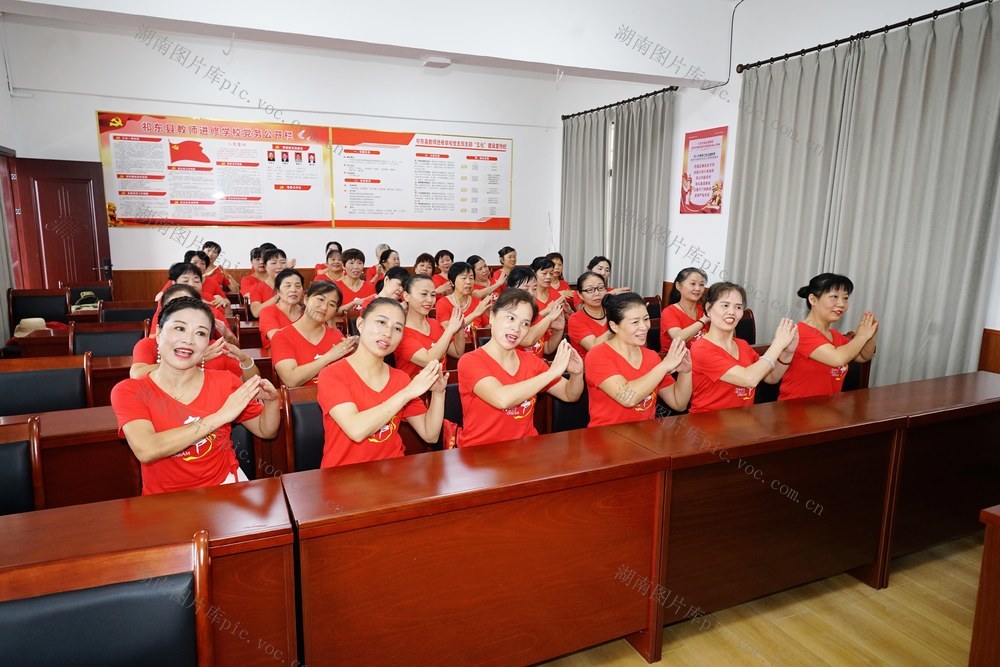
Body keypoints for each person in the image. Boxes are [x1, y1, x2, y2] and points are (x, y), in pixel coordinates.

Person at [111, 296, 280, 494]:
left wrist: (271, 403)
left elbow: (266, 431)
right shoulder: (129, 390)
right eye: (179, 328)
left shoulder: (225, 381)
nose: (189, 340)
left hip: (225, 486)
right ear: (157, 335)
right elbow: (147, 449)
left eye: (200, 333)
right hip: (165, 499)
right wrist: (221, 416)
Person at [317, 298, 446, 467]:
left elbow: (430, 434)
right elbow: (356, 430)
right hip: (343, 475)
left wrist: (438, 394)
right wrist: (406, 393)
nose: (388, 333)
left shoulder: (400, 379)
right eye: (381, 322)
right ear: (361, 324)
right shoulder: (332, 374)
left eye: (397, 328)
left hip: (392, 474)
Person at [457, 288, 583, 447]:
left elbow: (569, 394)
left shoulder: (532, 361)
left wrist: (576, 374)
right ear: (492, 317)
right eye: (511, 318)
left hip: (525, 450)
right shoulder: (470, 361)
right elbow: (502, 399)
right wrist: (552, 372)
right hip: (480, 453)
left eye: (525, 323)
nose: (516, 328)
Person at [689, 282, 798, 413]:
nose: (732, 312)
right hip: (708, 425)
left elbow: (771, 377)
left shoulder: (742, 345)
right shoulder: (701, 349)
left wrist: (787, 352)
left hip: (741, 422)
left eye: (738, 307)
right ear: (708, 308)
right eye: (725, 305)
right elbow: (749, 379)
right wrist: (777, 345)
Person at [586, 293, 692, 426]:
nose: (644, 327)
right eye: (635, 322)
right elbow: (628, 398)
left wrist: (686, 372)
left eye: (646, 319)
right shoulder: (598, 355)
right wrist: (664, 366)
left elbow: (679, 403)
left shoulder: (651, 356)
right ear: (614, 326)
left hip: (645, 436)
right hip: (607, 437)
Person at [779, 273, 879, 401]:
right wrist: (862, 336)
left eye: (845, 298)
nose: (841, 304)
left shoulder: (835, 335)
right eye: (834, 297)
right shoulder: (801, 332)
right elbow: (838, 358)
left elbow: (863, 356)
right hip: (795, 412)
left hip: (827, 411)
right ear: (813, 300)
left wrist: (871, 334)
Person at [131, 284, 257, 381]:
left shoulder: (215, 348)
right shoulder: (149, 345)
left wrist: (245, 360)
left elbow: (247, 384)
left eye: (189, 304)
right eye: (174, 306)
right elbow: (137, 375)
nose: (183, 311)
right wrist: (194, 360)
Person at [272, 281, 359, 387]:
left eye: (331, 304)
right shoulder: (282, 337)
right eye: (320, 299)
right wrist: (329, 357)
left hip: (336, 399)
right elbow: (291, 380)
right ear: (306, 299)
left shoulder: (336, 335)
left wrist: (358, 349)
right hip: (302, 402)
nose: (324, 307)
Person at [395, 274, 466, 378]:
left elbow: (457, 352)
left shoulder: (434, 323)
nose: (429, 300)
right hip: (414, 392)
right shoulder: (400, 332)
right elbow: (429, 360)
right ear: (406, 296)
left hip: (440, 389)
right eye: (424, 294)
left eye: (433, 295)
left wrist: (460, 327)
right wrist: (450, 329)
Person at [507, 266, 566, 357]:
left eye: (534, 289)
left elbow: (547, 348)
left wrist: (558, 331)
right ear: (510, 290)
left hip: (536, 367)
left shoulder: (534, 314)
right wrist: (549, 318)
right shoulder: (506, 314)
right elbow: (528, 340)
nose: (531, 293)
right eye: (525, 289)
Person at [661, 267, 710, 350]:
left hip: (702, 358)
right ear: (678, 286)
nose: (698, 288)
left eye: (701, 284)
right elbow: (678, 338)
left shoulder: (704, 310)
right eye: (693, 284)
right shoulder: (669, 312)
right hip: (676, 360)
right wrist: (703, 320)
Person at [257, 268, 305, 352]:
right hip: (282, 359)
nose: (293, 290)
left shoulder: (307, 312)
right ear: (278, 291)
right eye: (288, 286)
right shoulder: (267, 312)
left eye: (298, 286)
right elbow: (277, 339)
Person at [435, 261, 491, 332]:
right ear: (452, 282)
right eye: (464, 278)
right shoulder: (442, 303)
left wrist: (491, 316)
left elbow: (487, 327)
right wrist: (475, 313)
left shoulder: (477, 301)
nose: (468, 282)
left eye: (471, 278)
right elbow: (447, 329)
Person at [566, 271, 611, 358]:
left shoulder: (614, 312)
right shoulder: (576, 319)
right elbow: (594, 347)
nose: (597, 293)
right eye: (590, 290)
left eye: (601, 288)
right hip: (589, 368)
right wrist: (617, 327)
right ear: (580, 295)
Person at [248, 248, 287, 318]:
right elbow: (256, 313)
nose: (279, 266)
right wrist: (277, 297)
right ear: (265, 266)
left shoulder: (293, 284)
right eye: (274, 263)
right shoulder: (257, 288)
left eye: (283, 262)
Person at [336, 248, 376, 313]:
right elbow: (333, 312)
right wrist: (354, 303)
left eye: (359, 263)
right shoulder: (336, 287)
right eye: (351, 263)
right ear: (343, 266)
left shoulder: (371, 287)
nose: (356, 267)